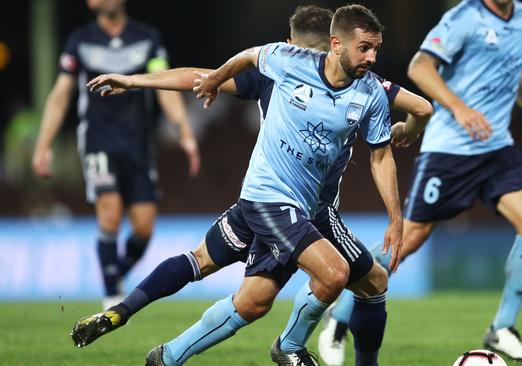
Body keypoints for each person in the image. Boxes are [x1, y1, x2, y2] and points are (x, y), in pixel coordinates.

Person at [79, 5, 407, 366]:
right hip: (269, 199)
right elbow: (232, 62)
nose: (373, 57)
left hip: (309, 208)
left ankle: (164, 355)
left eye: (375, 49)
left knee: (247, 294)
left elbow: (399, 128)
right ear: (333, 44)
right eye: (365, 48)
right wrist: (147, 80)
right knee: (332, 274)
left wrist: (411, 139)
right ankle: (290, 347)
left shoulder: (371, 92)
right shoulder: (283, 65)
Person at [318, 0, 522, 363]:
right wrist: (459, 108)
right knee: (409, 239)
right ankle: (341, 315)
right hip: (450, 148)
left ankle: (502, 327)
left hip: (496, 147)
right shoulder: (464, 18)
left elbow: (513, 65)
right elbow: (420, 67)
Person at [31, 0, 200, 310]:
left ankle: (115, 273)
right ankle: (111, 298)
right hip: (97, 140)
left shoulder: (147, 37)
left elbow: (163, 85)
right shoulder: (80, 39)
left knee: (144, 226)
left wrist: (184, 132)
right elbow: (61, 94)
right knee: (109, 211)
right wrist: (44, 145)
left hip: (137, 144)